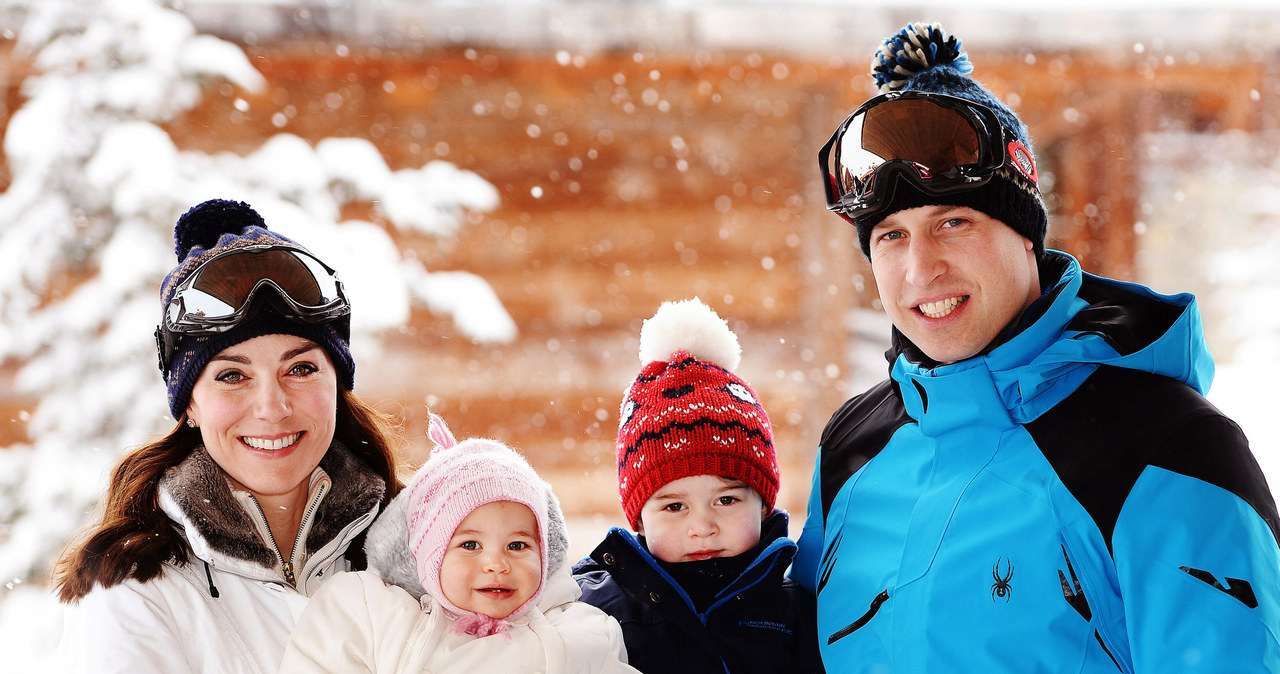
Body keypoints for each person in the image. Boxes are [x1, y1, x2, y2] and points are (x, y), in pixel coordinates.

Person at [792, 21, 1280, 672]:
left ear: (1026, 235)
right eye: (891, 237)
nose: (920, 269)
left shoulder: (1165, 449)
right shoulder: (854, 448)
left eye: (953, 222)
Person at [51, 198, 402, 673]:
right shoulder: (138, 591)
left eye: (300, 368)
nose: (272, 408)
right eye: (232, 376)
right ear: (190, 404)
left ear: (336, 384)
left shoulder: (425, 544)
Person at [573, 297, 823, 673]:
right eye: (675, 506)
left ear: (763, 504)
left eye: (725, 500)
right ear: (639, 520)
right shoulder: (593, 615)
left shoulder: (799, 614)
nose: (702, 527)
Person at [279, 413, 636, 673]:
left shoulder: (581, 633)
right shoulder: (369, 612)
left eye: (517, 545)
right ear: (428, 552)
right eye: (470, 545)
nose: (497, 564)